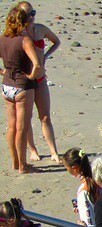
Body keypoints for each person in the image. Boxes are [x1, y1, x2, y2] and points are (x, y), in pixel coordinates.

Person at [0, 5, 41, 174]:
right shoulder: (25, 40)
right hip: (22, 87)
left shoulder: (2, 38)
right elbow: (37, 63)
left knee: (11, 126)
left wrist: (3, 72)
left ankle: (15, 162)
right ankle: (23, 165)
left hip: (7, 85)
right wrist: (31, 76)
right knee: (22, 127)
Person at [19, 2, 59, 162]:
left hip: (41, 78)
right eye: (27, 14)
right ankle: (33, 150)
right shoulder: (17, 33)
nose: (31, 17)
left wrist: (46, 56)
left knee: (45, 117)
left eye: (33, 13)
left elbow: (56, 41)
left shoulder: (41, 29)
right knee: (27, 117)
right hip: (25, 81)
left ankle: (54, 151)